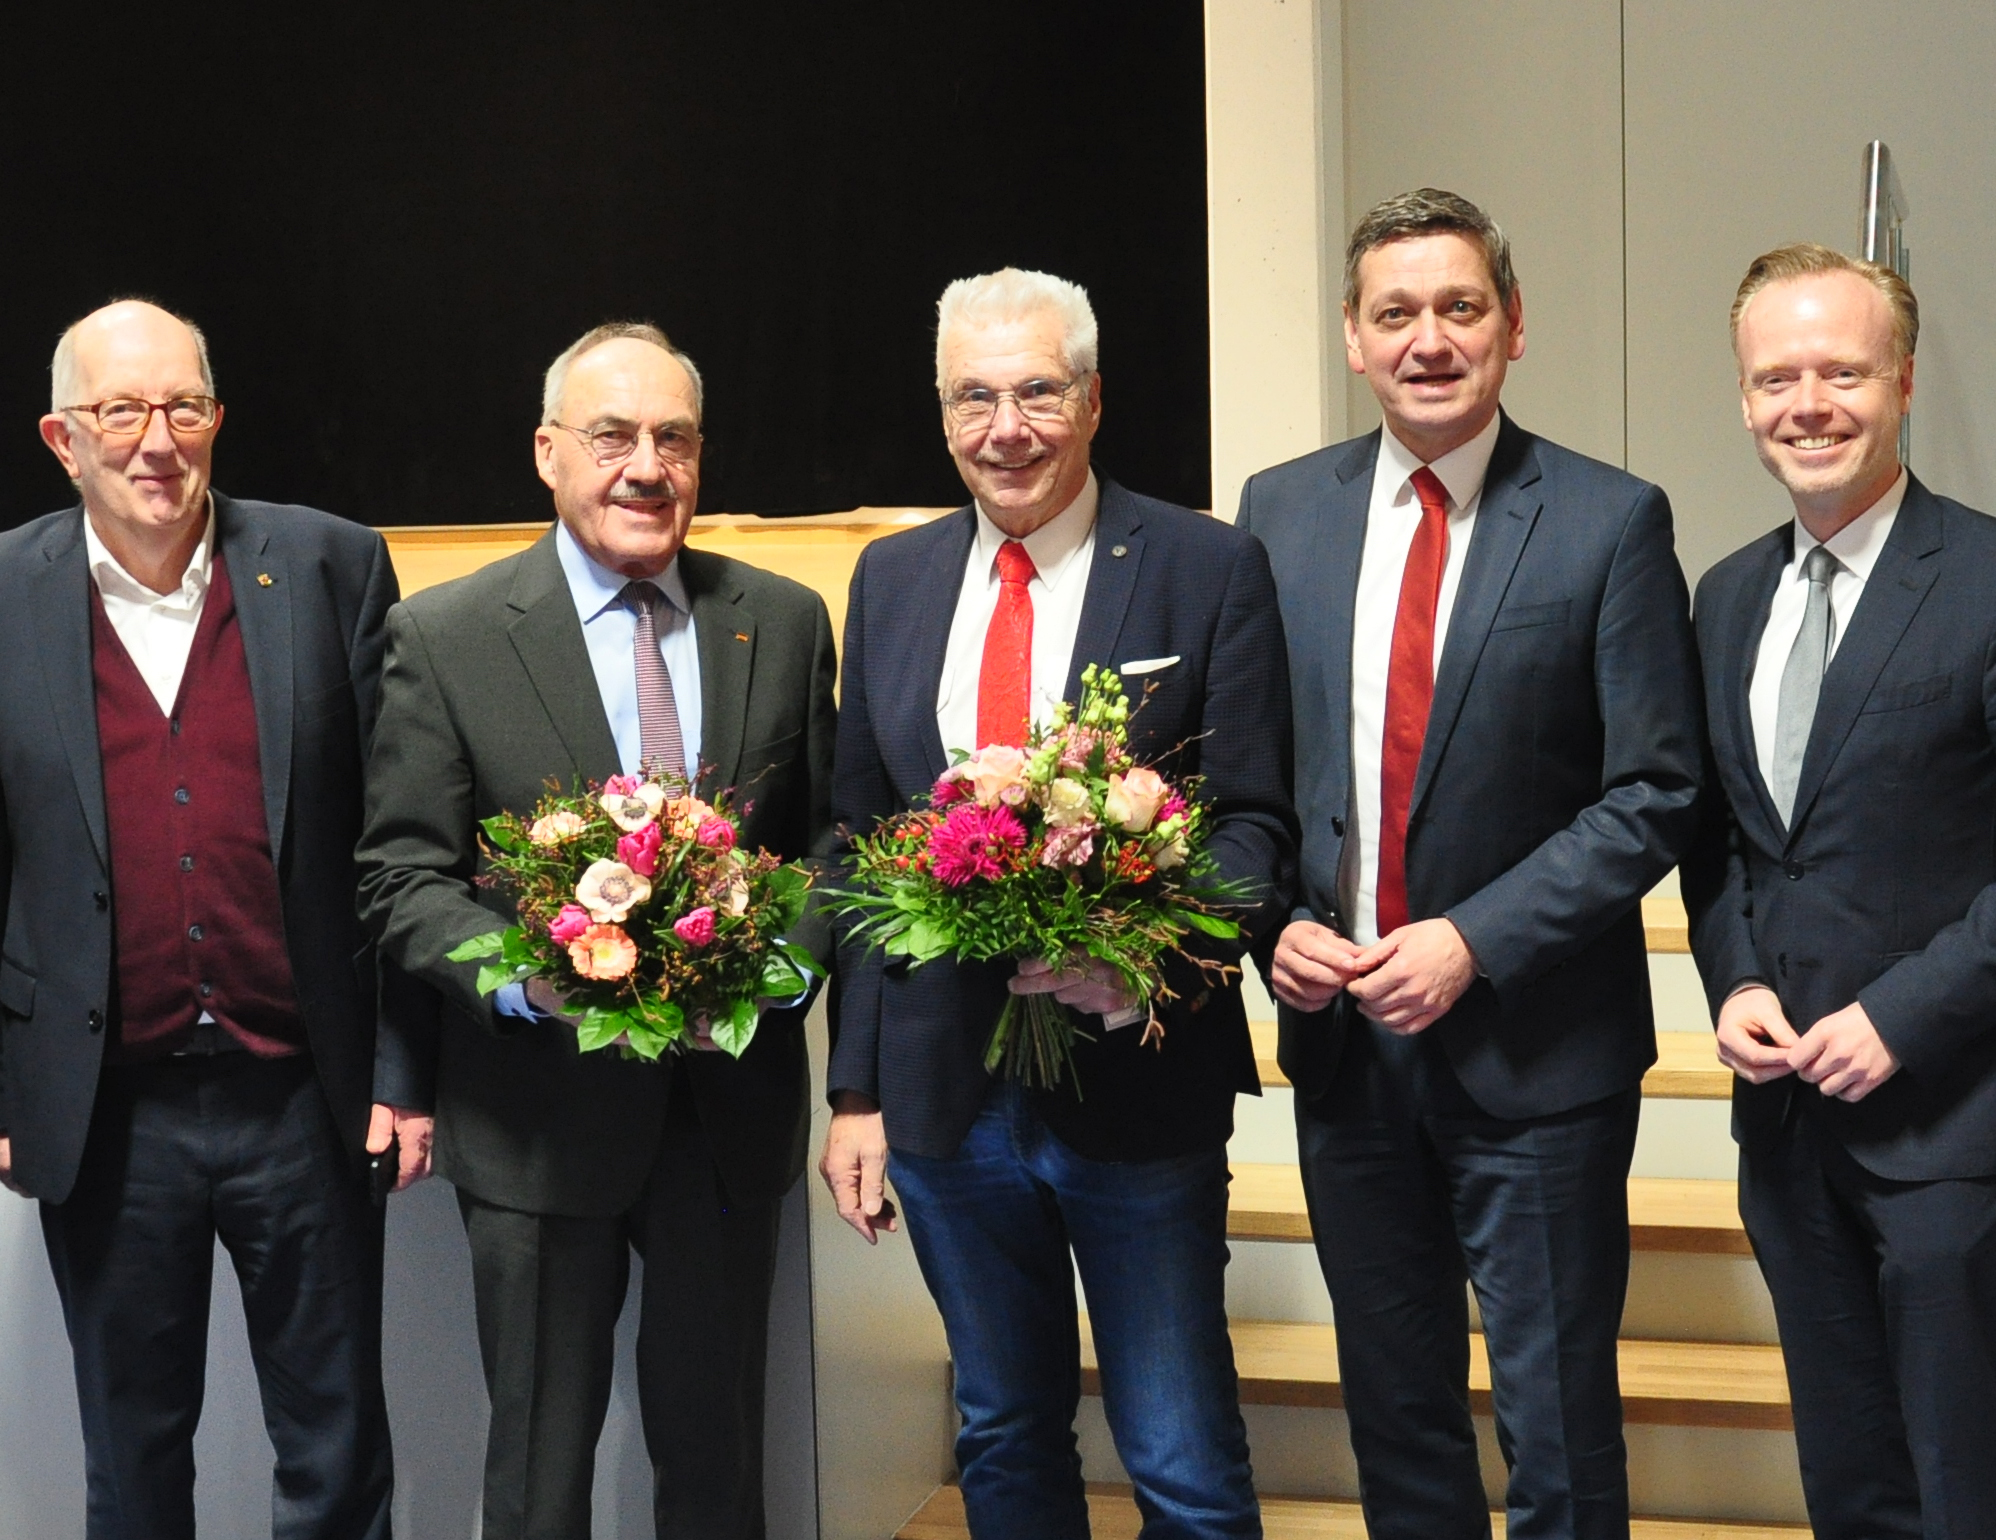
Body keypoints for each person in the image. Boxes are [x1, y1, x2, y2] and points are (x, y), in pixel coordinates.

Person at [1236, 189, 1705, 1540]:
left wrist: (1470, 940)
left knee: (1556, 1427)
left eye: (1458, 308)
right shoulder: (1281, 511)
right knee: (1398, 1415)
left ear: (1512, 328)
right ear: (1352, 336)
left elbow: (1654, 791)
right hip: (1345, 1049)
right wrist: (1272, 923)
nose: (1427, 339)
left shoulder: (1609, 520)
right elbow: (1250, 770)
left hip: (1536, 1054)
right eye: (1396, 313)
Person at [819, 267, 1296, 1540]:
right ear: (940, 411)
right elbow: (862, 844)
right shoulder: (893, 579)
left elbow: (1253, 824)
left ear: (1090, 400)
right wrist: (853, 1091)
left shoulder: (1206, 565)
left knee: (1181, 1454)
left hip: (1137, 1079)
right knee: (1001, 1430)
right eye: (973, 396)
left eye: (1035, 391)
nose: (1004, 426)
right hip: (940, 1097)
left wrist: (1143, 962)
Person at [354, 322, 837, 1540]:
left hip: (725, 1121)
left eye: (673, 438)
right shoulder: (447, 634)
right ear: (546, 454)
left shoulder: (778, 619)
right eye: (612, 436)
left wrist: (782, 961)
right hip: (531, 1121)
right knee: (534, 1476)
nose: (646, 466)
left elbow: (832, 845)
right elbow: (402, 877)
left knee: (720, 1470)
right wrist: (522, 981)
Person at [0, 299, 415, 1538]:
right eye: (120, 411)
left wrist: (401, 1064)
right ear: (60, 437)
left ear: (217, 419)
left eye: (182, 406)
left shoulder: (333, 563)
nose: (156, 439)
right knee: (132, 1463)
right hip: (102, 1108)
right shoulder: (2, 591)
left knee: (336, 1451)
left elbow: (398, 837)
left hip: (309, 1098)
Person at [1683, 242, 1996, 1537]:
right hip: (1785, 1130)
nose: (1807, 403)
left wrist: (1900, 1017)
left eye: (1841, 370)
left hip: (1957, 1129)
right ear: (1741, 396)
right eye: (1777, 376)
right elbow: (1717, 837)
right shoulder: (1724, 599)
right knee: (1851, 1482)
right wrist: (1734, 984)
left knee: (1974, 1483)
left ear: (1900, 380)